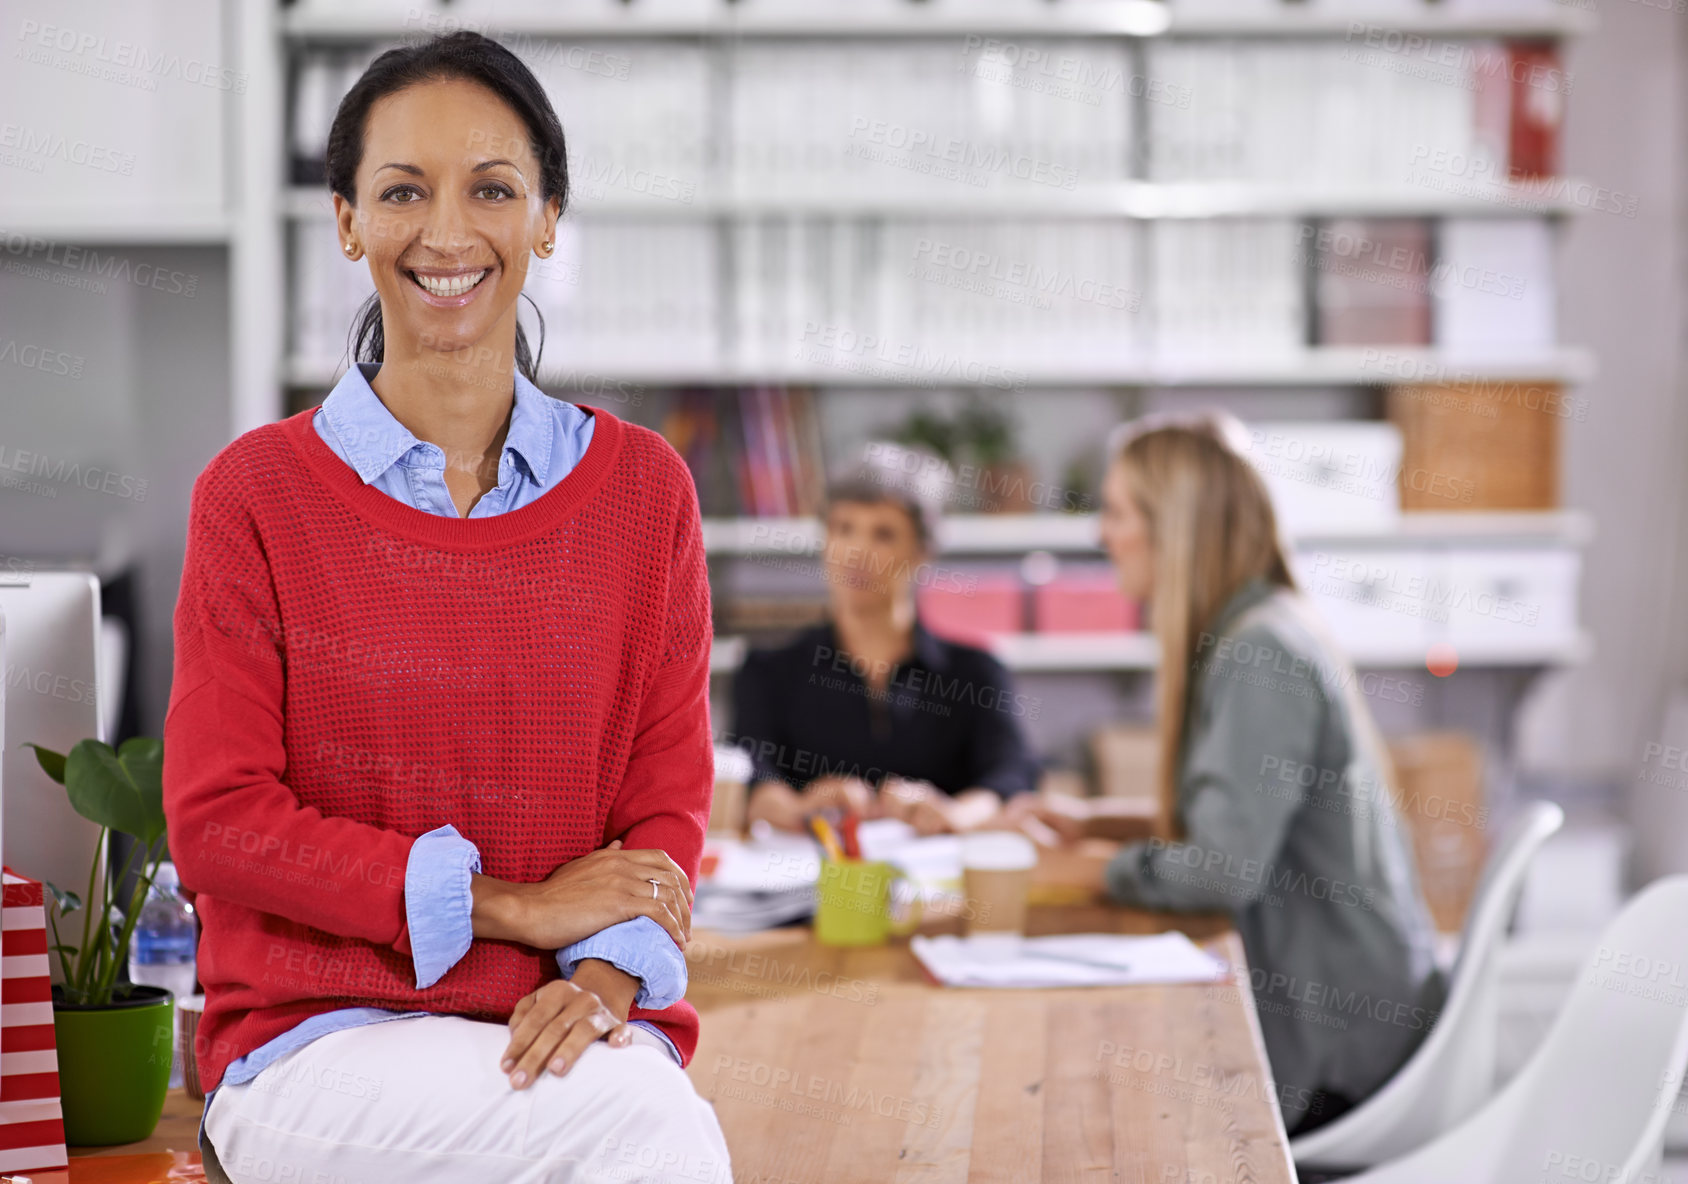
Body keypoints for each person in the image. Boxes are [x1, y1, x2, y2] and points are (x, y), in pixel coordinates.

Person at [163, 32, 730, 1183]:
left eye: (493, 189)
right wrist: (512, 909)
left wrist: (603, 970)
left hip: (570, 1020)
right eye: (402, 192)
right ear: (347, 222)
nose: (448, 232)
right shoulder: (255, 496)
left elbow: (662, 799)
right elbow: (218, 820)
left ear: (548, 220)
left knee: (632, 1115)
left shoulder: (643, 491)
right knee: (649, 1135)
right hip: (316, 1039)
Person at [1082, 413, 1447, 1135]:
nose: (1102, 534)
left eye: (1116, 512)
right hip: (1346, 1011)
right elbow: (1234, 813)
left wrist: (1097, 867)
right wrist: (1092, 826)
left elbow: (1221, 869)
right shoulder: (1262, 627)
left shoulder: (1259, 655)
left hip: (1342, 1053)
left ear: (1174, 526)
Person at [732, 449, 1040, 835]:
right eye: (843, 528)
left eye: (883, 533)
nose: (856, 552)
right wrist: (800, 807)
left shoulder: (977, 672)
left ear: (922, 550)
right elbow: (751, 778)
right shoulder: (767, 672)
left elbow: (1010, 776)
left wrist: (953, 814)